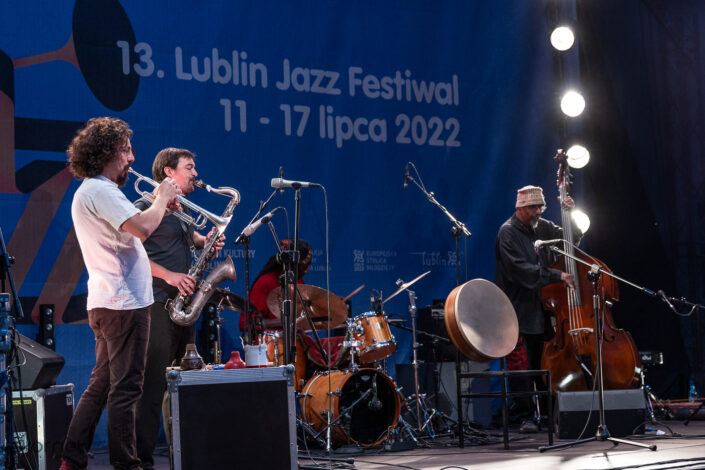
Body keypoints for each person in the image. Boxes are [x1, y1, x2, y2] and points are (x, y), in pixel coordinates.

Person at [61, 117, 179, 470]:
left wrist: (160, 206)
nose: (132, 157)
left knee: (101, 386)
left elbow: (132, 230)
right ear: (106, 152)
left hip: (112, 301)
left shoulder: (96, 191)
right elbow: (142, 228)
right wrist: (161, 198)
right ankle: (126, 464)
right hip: (124, 304)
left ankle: (71, 459)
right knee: (126, 389)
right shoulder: (101, 190)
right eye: (125, 149)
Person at [134, 148, 224, 469]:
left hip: (184, 307)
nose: (196, 174)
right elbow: (131, 254)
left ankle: (185, 457)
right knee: (152, 387)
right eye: (189, 167)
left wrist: (204, 241)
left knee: (183, 385)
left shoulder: (182, 209)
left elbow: (185, 239)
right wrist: (169, 276)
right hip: (156, 304)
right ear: (169, 172)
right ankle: (140, 460)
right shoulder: (145, 207)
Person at [494, 185, 578, 433]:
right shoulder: (507, 233)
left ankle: (551, 412)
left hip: (544, 310)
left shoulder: (543, 227)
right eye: (533, 207)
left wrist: (570, 215)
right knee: (521, 367)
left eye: (541, 207)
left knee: (546, 364)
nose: (538, 211)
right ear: (520, 208)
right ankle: (525, 416)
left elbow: (571, 239)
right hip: (518, 311)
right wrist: (556, 275)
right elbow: (520, 270)